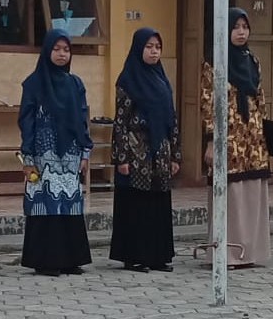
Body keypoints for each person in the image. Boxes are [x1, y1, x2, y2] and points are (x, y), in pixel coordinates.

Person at [200, 7, 271, 269]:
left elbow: (260, 99)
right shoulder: (214, 63)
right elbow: (208, 104)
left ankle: (249, 253)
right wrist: (211, 140)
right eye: (235, 27)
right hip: (228, 139)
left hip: (253, 139)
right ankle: (226, 253)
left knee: (251, 193)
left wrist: (265, 136)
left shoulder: (252, 61)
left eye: (245, 27)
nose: (241, 32)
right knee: (229, 193)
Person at [18, 28, 93, 276]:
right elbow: (27, 121)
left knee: (70, 205)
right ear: (47, 51)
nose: (62, 54)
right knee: (45, 204)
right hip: (43, 156)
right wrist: (28, 158)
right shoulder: (34, 83)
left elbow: (83, 118)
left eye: (66, 50)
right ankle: (46, 261)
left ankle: (71, 259)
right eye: (57, 49)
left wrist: (85, 152)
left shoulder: (75, 84)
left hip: (70, 155)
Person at [109, 27, 181, 273]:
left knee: (157, 205)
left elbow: (171, 118)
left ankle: (157, 256)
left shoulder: (162, 81)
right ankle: (134, 257)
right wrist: (121, 158)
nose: (154, 52)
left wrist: (175, 154)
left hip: (160, 153)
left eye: (158, 47)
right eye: (149, 47)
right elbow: (120, 121)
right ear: (138, 48)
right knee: (136, 205)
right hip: (135, 152)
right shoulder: (128, 80)